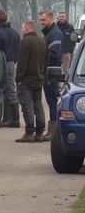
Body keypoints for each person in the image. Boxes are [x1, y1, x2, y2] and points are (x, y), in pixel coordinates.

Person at [15, 20, 47, 143]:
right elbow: (45, 61)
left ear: (27, 29)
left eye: (22, 28)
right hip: (39, 79)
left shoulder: (25, 42)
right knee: (38, 106)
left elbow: (22, 64)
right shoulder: (42, 41)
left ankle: (29, 132)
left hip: (26, 80)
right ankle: (39, 132)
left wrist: (18, 78)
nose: (21, 30)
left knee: (27, 106)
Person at [40, 10, 63, 141]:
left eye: (43, 20)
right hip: (49, 70)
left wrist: (44, 66)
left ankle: (53, 132)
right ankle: (52, 129)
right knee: (51, 101)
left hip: (51, 71)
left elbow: (53, 54)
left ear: (50, 19)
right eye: (40, 20)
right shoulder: (50, 32)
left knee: (53, 101)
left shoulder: (54, 33)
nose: (41, 23)